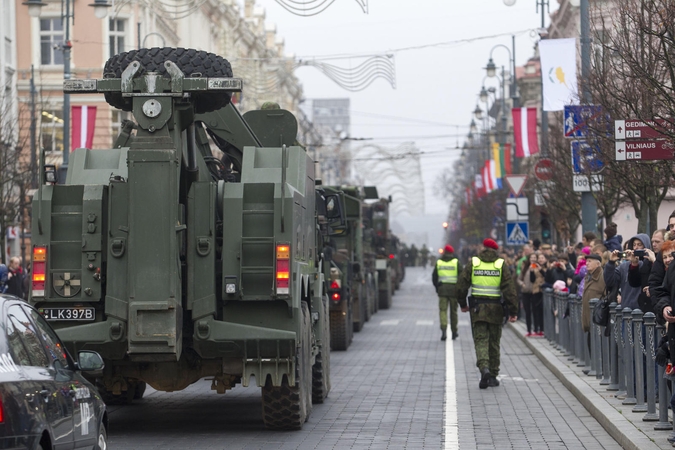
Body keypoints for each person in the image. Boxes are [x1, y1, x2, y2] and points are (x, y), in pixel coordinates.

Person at [457, 238, 518, 389]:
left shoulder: (474, 263)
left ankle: (483, 368)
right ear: (495, 250)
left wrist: (463, 304)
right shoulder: (500, 264)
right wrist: (513, 311)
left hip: (478, 309)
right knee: (494, 342)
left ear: (483, 248)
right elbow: (509, 290)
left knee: (480, 340)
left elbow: (461, 285)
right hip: (496, 309)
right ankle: (493, 375)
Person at [433, 244, 462, 341]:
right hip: (454, 291)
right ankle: (454, 332)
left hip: (442, 291)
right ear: (452, 252)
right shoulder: (456, 262)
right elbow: (462, 276)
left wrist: (437, 287)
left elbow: (434, 277)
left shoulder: (439, 262)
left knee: (443, 311)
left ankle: (444, 331)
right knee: (454, 312)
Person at [518, 253, 544, 337]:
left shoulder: (538, 267)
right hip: (525, 292)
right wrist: (522, 284)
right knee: (527, 312)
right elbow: (519, 279)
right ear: (529, 259)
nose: (533, 259)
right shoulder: (525, 268)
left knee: (535, 311)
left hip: (534, 292)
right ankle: (529, 330)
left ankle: (536, 329)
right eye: (531, 257)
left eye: (534, 257)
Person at [581, 254, 605, 336]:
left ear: (598, 264)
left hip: (598, 323)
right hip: (590, 322)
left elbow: (606, 297)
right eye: (586, 261)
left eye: (590, 261)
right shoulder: (588, 277)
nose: (587, 263)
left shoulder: (602, 276)